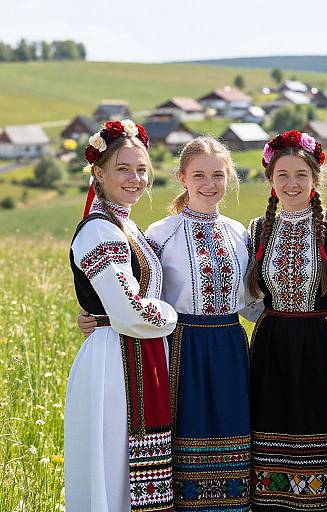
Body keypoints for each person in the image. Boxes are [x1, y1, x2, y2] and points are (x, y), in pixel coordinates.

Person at [79, 136, 252, 512]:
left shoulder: (241, 233)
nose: (209, 184)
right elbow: (137, 288)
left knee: (235, 433)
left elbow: (251, 300)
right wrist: (97, 316)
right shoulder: (160, 232)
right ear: (182, 178)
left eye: (218, 175)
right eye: (200, 175)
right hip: (180, 346)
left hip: (230, 345)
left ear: (230, 178)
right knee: (181, 441)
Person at [66, 120, 178, 512]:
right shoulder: (101, 231)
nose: (135, 178)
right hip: (116, 361)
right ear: (98, 173)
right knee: (115, 468)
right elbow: (130, 312)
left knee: (132, 469)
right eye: (123, 169)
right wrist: (172, 315)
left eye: (142, 169)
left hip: (135, 354)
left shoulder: (124, 225)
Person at [245, 130, 327, 512]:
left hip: (321, 343)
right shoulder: (258, 229)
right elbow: (242, 295)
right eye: (283, 176)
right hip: (271, 343)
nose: (292, 184)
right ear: (271, 181)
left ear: (315, 179)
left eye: (301, 175)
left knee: (317, 424)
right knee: (271, 423)